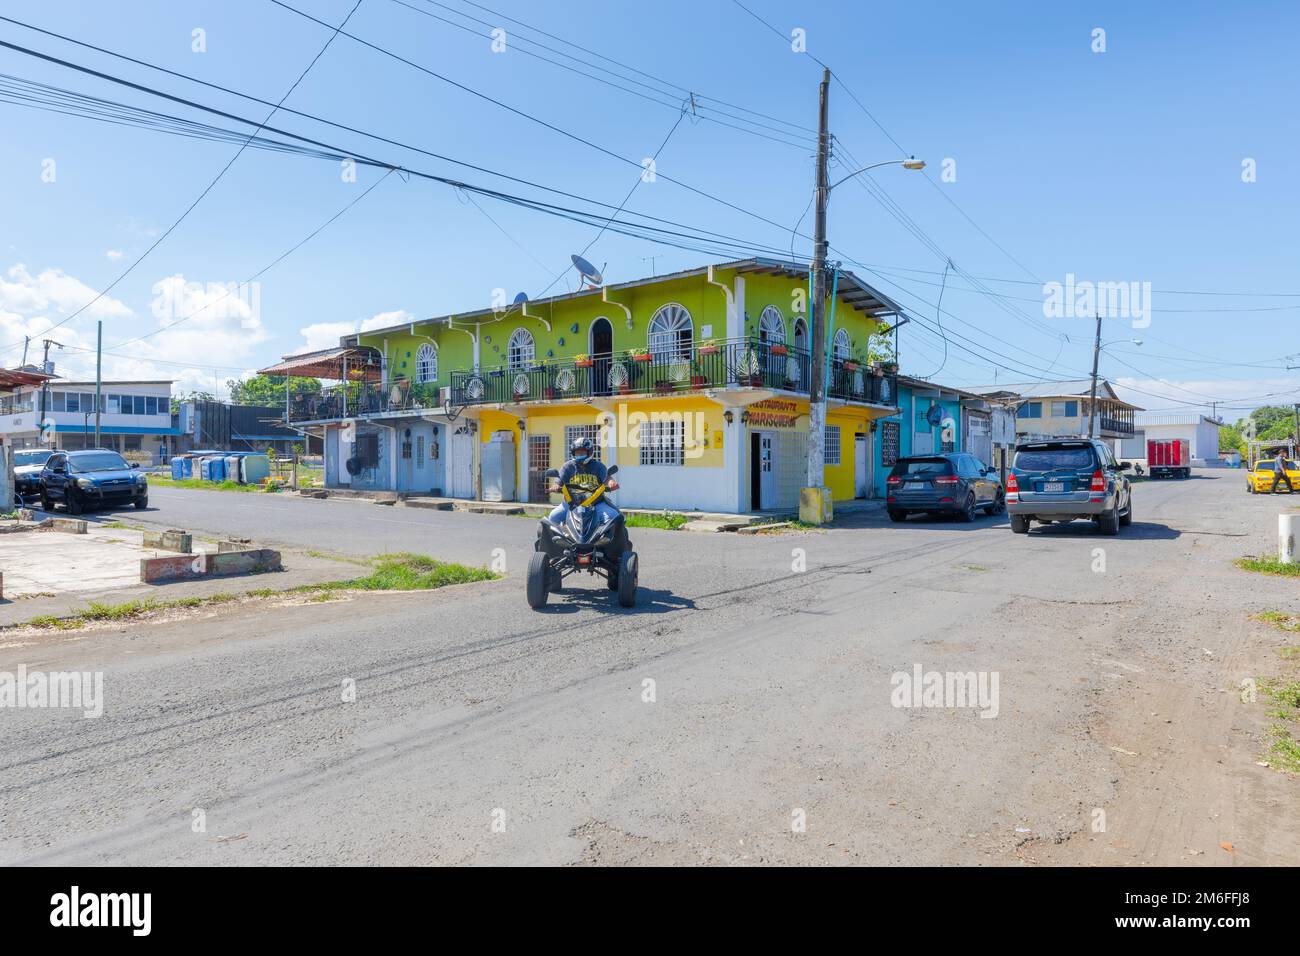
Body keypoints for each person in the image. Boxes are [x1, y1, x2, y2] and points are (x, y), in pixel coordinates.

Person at [537, 437, 627, 555]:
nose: (579, 455)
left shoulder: (598, 466)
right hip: (570, 504)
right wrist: (555, 486)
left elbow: (606, 478)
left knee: (613, 517)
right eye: (577, 452)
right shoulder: (568, 466)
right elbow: (559, 481)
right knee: (552, 518)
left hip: (596, 504)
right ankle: (552, 554)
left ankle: (612, 553)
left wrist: (610, 483)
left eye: (582, 452)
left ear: (589, 452)